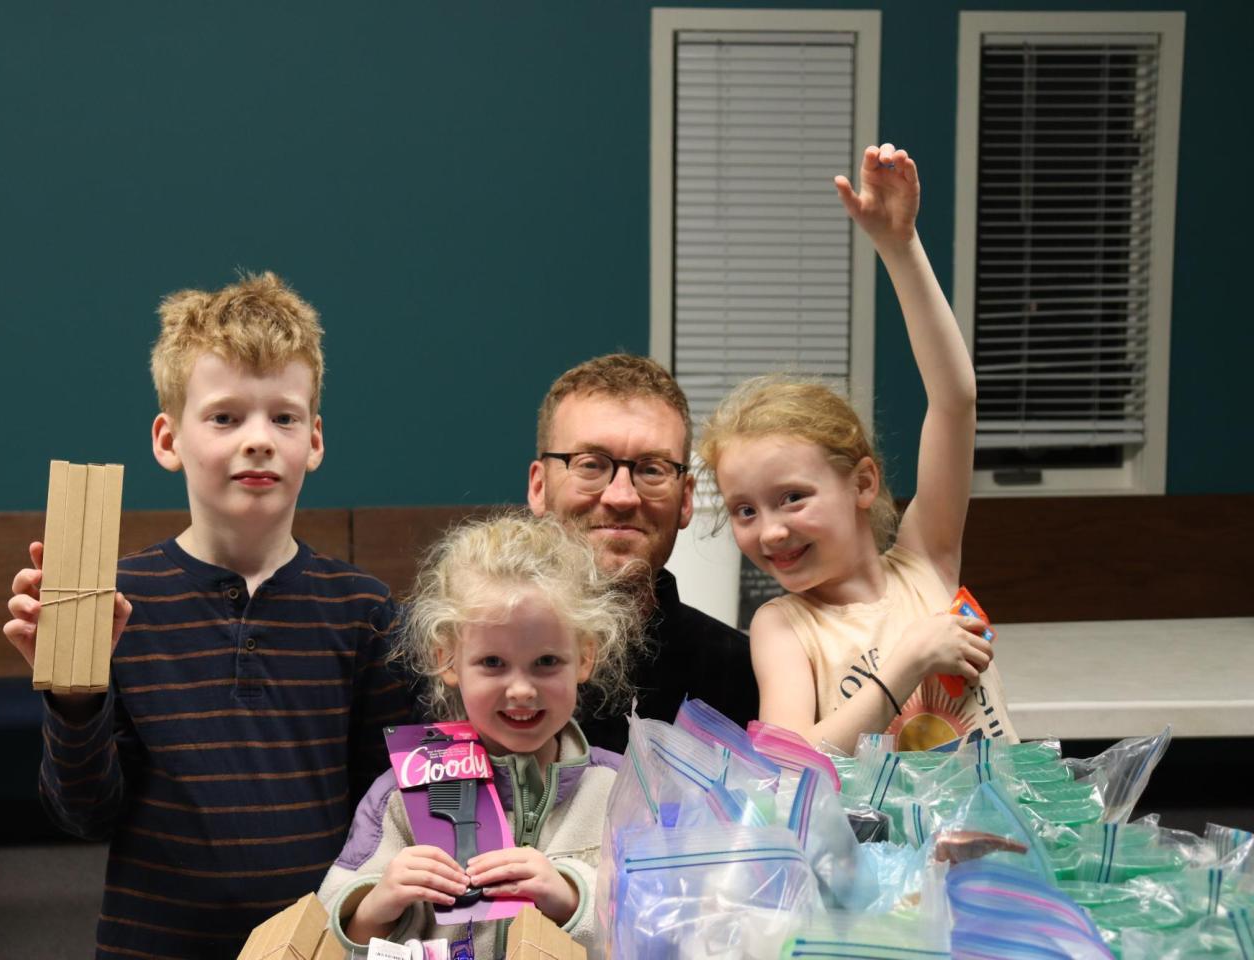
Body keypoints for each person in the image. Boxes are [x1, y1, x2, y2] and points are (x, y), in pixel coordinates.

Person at [2, 273, 413, 959]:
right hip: (155, 943)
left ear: (313, 440)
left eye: (283, 417)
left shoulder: (363, 610)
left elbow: (389, 813)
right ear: (169, 440)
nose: (258, 439)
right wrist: (74, 692)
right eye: (225, 417)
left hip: (318, 944)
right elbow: (84, 814)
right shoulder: (115, 603)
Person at [698, 143, 1018, 755]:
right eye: (745, 509)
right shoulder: (783, 626)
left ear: (863, 484)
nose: (769, 532)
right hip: (884, 855)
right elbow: (788, 762)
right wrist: (906, 665)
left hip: (995, 843)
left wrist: (901, 248)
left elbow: (955, 399)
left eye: (792, 497)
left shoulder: (928, 560)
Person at [316, 512, 642, 956]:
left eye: (547, 662)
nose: (522, 690)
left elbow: (659, 929)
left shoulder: (623, 791)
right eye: (492, 663)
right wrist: (376, 904)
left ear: (585, 657)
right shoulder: (399, 796)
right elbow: (327, 930)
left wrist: (572, 899)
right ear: (448, 661)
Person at [526, 353, 760, 752]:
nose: (621, 496)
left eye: (652, 469)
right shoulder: (473, 658)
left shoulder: (746, 675)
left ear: (686, 500)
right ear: (539, 487)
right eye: (591, 465)